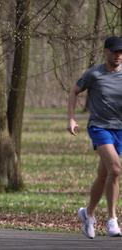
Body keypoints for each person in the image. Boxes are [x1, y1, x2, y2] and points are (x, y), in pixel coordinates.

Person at [67, 36, 122, 239]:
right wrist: (71, 119)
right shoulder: (94, 74)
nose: (118, 55)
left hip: (120, 129)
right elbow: (74, 91)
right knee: (115, 169)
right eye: (114, 51)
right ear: (106, 52)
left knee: (104, 175)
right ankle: (112, 220)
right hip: (99, 127)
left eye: (121, 52)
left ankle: (88, 213)